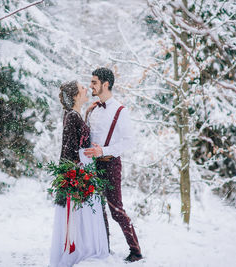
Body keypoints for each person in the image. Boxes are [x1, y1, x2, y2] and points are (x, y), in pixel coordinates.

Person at [84, 67, 143, 262]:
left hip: (110, 165)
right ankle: (103, 249)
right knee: (95, 209)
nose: (90, 85)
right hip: (91, 166)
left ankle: (136, 251)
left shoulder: (121, 111)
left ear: (105, 84)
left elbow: (128, 142)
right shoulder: (92, 108)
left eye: (94, 82)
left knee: (116, 210)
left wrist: (104, 150)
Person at [49, 81, 109, 267]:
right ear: (75, 96)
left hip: (84, 165)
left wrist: (87, 113)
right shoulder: (72, 117)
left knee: (85, 211)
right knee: (82, 210)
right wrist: (76, 172)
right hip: (80, 168)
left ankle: (85, 247)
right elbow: (69, 147)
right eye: (83, 88)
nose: (86, 89)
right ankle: (83, 249)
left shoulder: (73, 115)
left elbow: (77, 136)